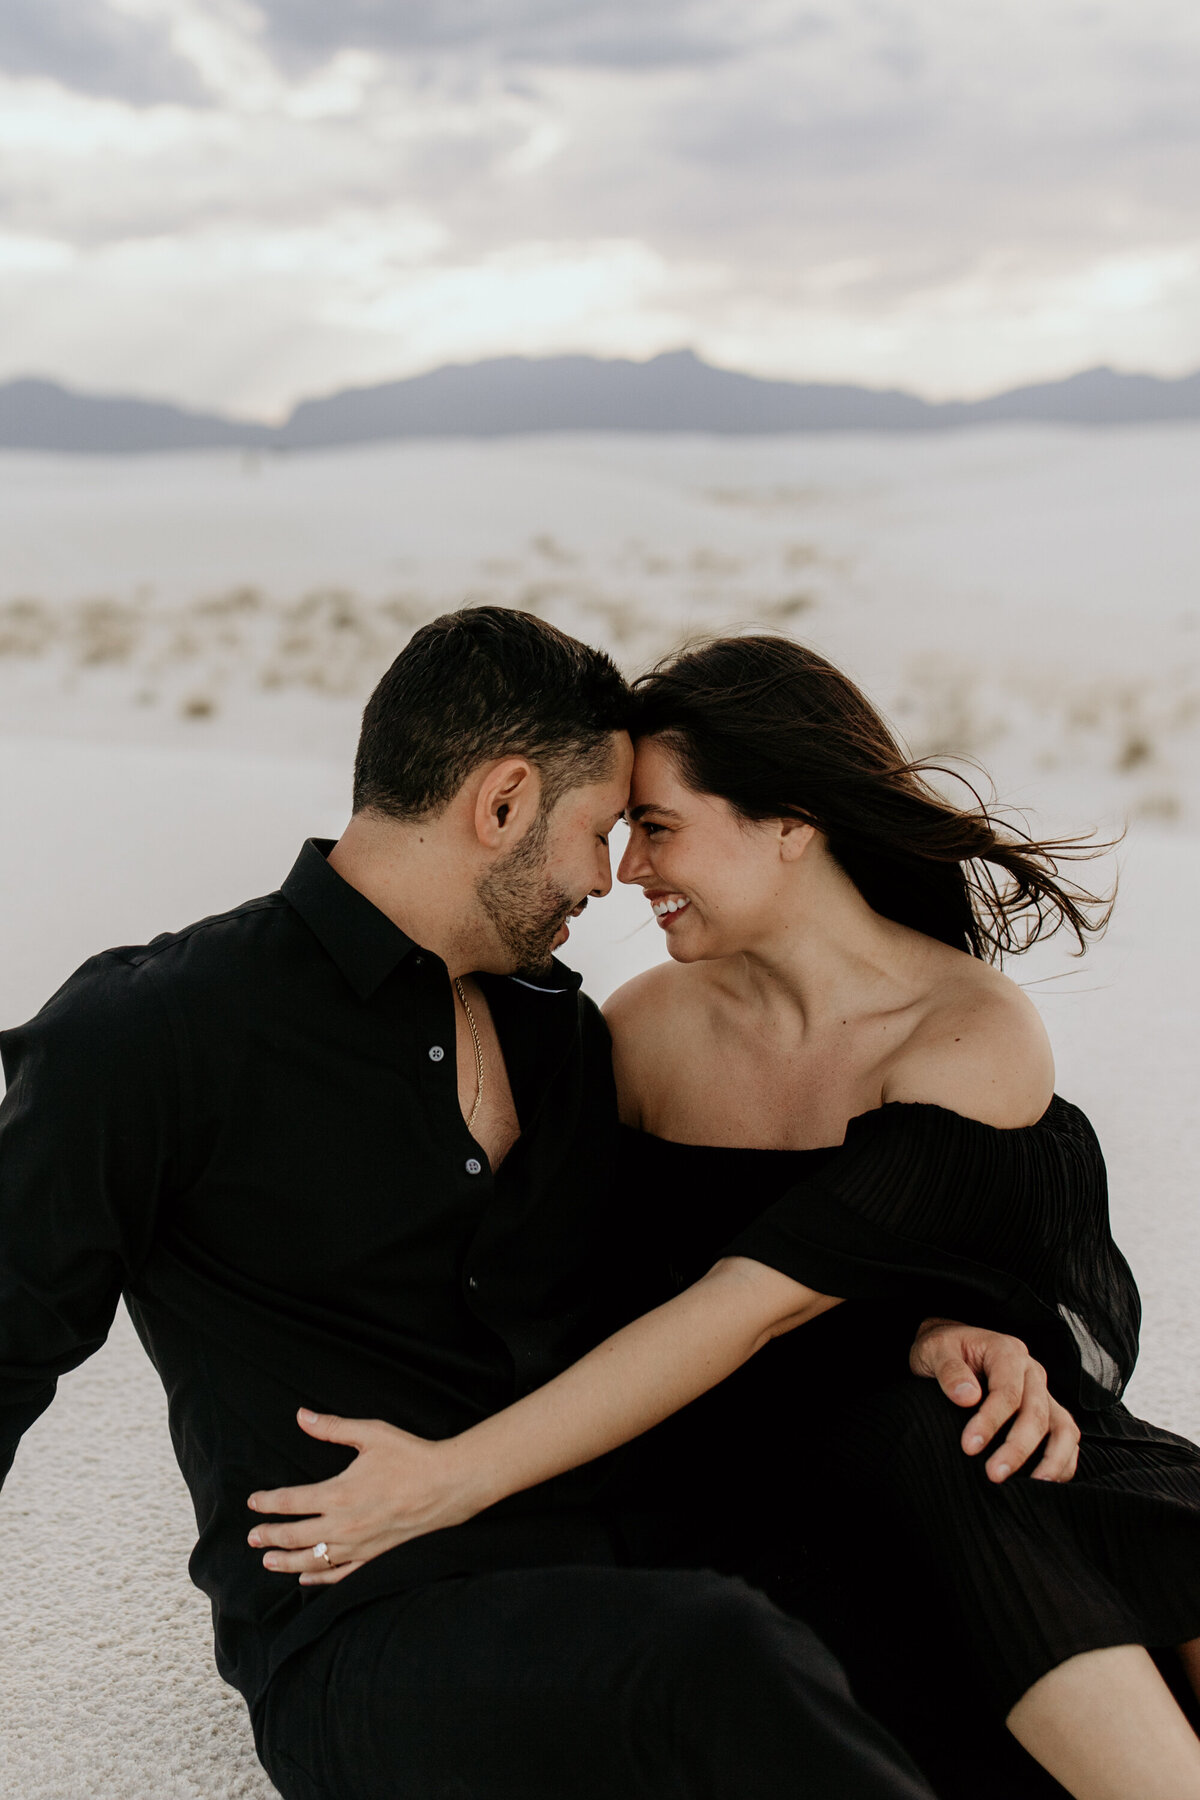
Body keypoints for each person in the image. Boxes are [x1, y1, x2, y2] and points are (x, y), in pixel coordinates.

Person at [0, 607, 1069, 1800]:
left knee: (957, 1621)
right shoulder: (152, 1033)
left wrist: (935, 1323)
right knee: (714, 1664)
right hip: (378, 1633)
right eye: (601, 832)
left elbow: (714, 1287)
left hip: (652, 1564)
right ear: (502, 803)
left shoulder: (560, 1037)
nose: (612, 879)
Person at [247, 633, 1200, 1800]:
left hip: (931, 1443)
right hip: (727, 1477)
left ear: (789, 820)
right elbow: (539, 1275)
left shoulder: (966, 1030)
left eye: (656, 826)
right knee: (945, 1455)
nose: (625, 871)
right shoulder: (644, 1033)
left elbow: (784, 1296)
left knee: (1105, 1499)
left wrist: (962, 1320)